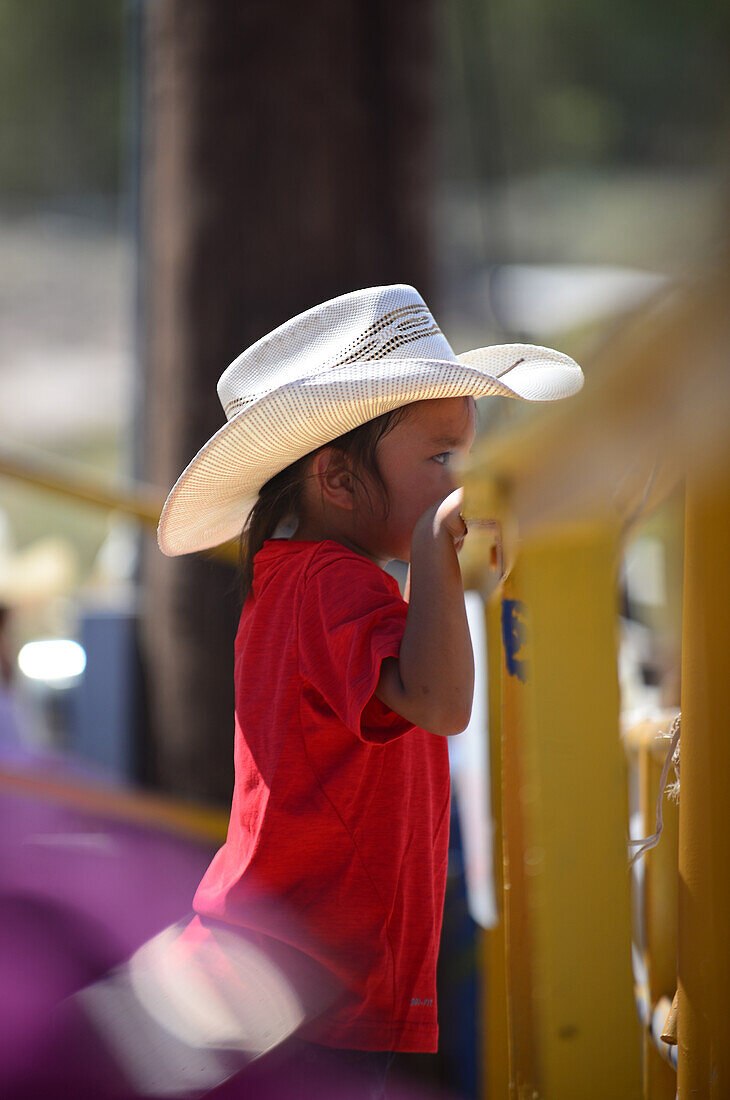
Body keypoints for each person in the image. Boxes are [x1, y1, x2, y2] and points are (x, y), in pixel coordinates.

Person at [155, 284, 583, 1097]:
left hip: (294, 976)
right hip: (303, 986)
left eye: (468, 455)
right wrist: (433, 552)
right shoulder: (328, 584)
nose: (463, 481)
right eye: (439, 459)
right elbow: (440, 702)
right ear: (339, 481)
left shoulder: (316, 582)